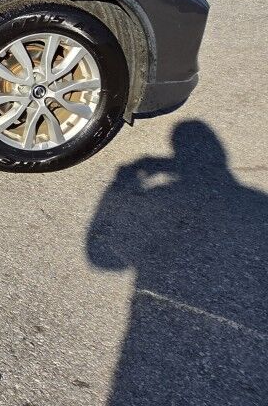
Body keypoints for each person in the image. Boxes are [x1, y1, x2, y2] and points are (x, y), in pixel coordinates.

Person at [87, 121, 267, 405]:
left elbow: (103, 260)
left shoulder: (160, 196)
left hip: (151, 336)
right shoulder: (258, 204)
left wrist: (122, 182)